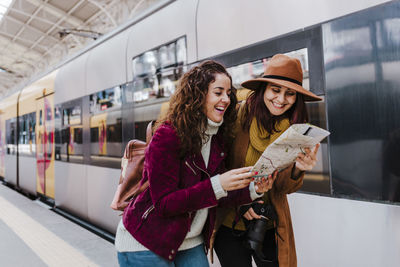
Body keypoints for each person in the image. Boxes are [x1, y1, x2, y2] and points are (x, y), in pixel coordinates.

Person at [115, 60, 271, 267]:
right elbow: (164, 204)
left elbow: (215, 195)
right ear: (198, 94)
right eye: (218, 92)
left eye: (229, 93)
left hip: (189, 241)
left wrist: (252, 190)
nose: (226, 99)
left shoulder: (217, 138)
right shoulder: (168, 135)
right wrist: (218, 184)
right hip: (147, 242)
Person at [213, 54, 322, 267]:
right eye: (275, 90)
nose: (281, 100)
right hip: (230, 221)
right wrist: (241, 200)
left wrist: (298, 170)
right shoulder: (236, 116)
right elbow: (217, 167)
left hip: (269, 224)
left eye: (290, 94)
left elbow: (282, 188)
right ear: (263, 89)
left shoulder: (296, 131)